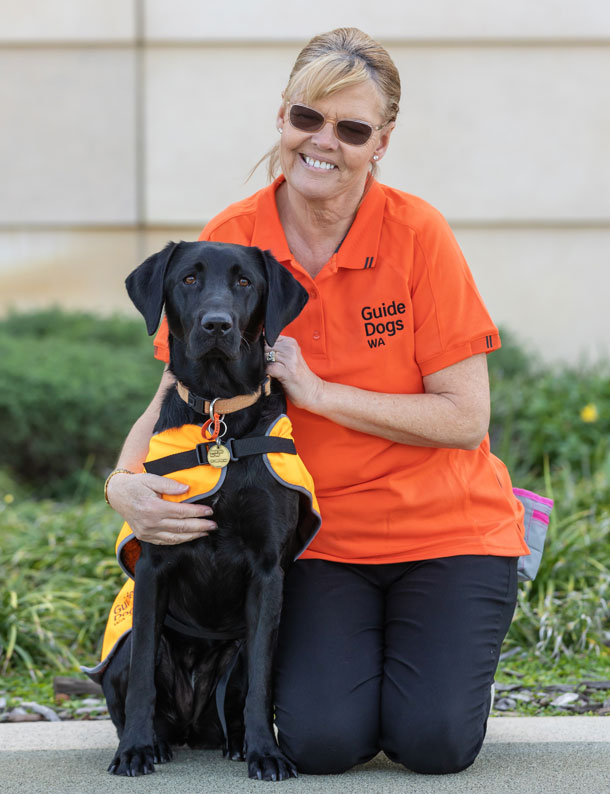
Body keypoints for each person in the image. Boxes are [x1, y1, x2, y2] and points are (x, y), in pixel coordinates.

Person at [105, 27, 529, 776]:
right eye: (309, 118)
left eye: (352, 128)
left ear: (381, 143)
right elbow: (175, 391)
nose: (323, 142)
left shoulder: (418, 235)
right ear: (283, 118)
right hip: (318, 544)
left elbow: (467, 419)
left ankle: (451, 638)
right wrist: (122, 484)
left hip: (446, 530)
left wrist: (320, 392)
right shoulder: (231, 242)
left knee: (433, 743)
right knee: (324, 743)